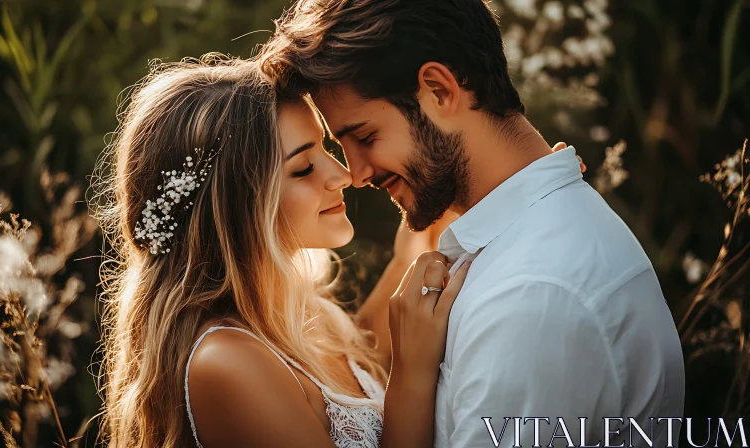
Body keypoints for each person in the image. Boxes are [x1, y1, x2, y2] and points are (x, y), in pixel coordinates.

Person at [259, 0, 686, 446]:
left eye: (365, 137)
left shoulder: (529, 296)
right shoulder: (525, 240)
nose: (356, 174)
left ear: (439, 91)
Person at [92, 55, 472, 448]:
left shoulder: (304, 315)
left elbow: (359, 364)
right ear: (236, 207)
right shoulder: (227, 363)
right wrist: (414, 373)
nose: (342, 175)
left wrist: (408, 258)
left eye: (324, 150)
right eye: (304, 168)